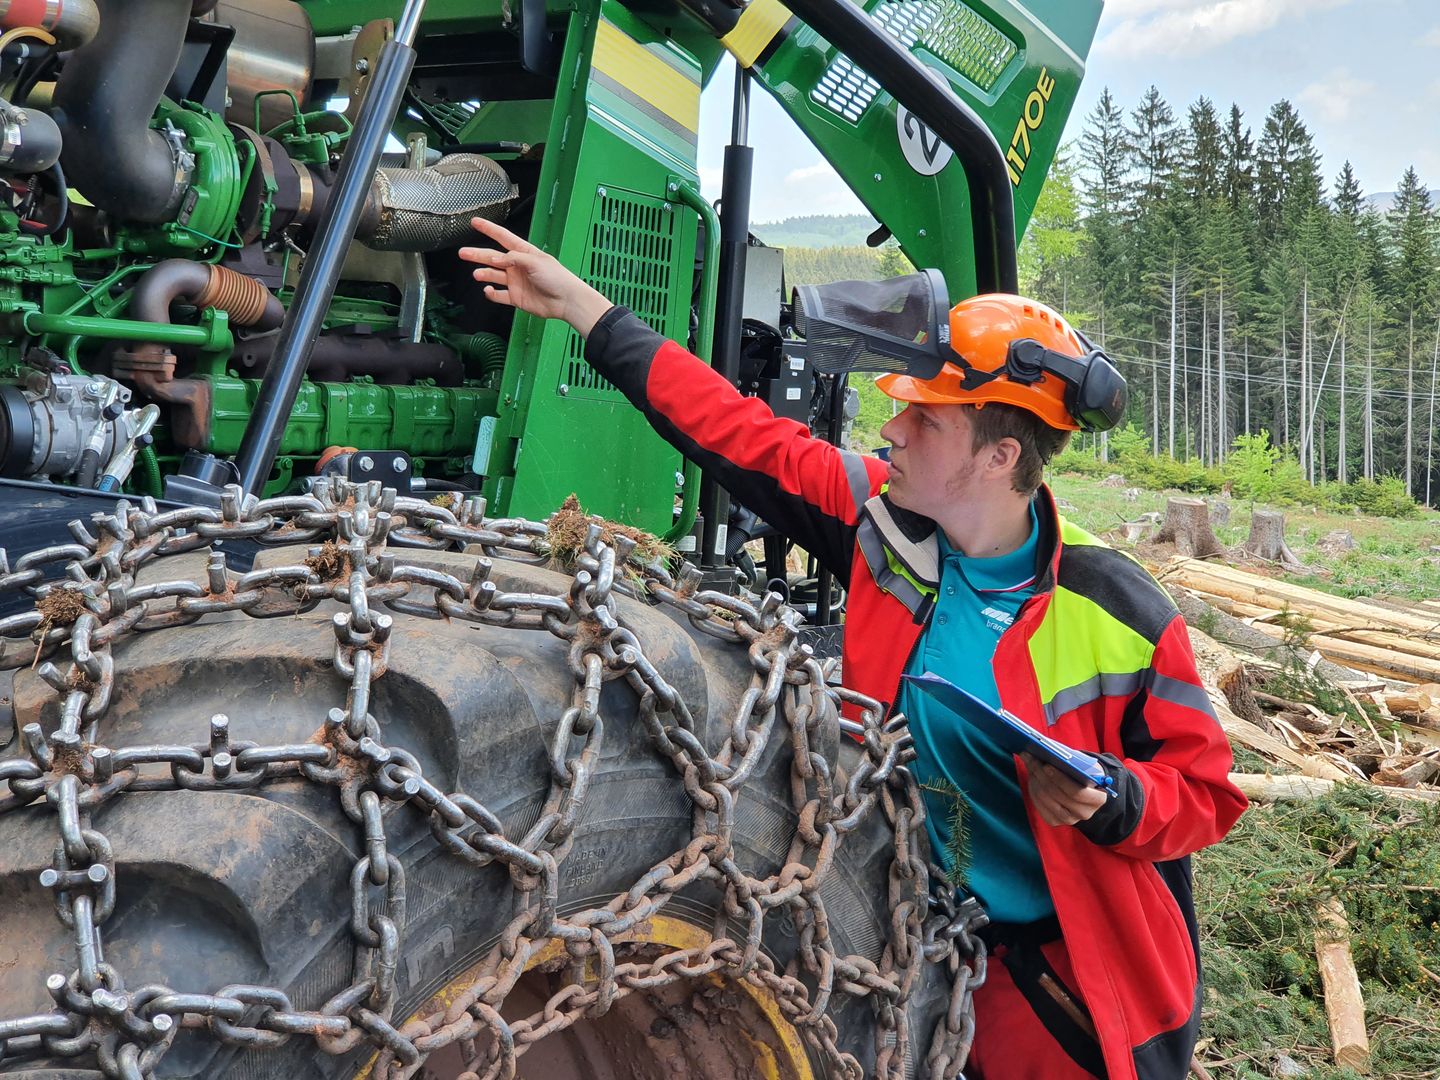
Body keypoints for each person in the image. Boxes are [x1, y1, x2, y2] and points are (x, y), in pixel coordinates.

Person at [459, 217, 1247, 1080]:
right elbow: (731, 428)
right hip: (907, 939)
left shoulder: (1116, 610)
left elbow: (1204, 792)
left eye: (925, 422)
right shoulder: (883, 527)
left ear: (1001, 455)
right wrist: (584, 309)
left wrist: (1118, 799)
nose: (891, 433)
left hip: (1062, 986)